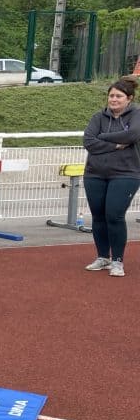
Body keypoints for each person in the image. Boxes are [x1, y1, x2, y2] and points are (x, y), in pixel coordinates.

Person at [82, 74, 140, 277]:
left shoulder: (136, 115)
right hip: (94, 173)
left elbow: (132, 135)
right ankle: (102, 257)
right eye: (111, 96)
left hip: (126, 173)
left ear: (129, 98)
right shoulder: (98, 117)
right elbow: (89, 142)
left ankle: (117, 261)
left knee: (114, 215)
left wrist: (103, 138)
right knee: (98, 216)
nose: (114, 99)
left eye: (119, 96)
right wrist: (115, 144)